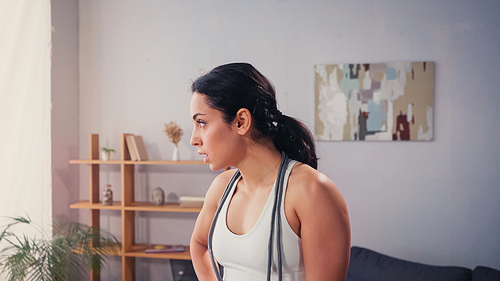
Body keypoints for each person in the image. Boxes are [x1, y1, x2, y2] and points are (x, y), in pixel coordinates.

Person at [189, 62, 351, 281]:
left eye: (201, 122)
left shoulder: (311, 191)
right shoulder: (222, 187)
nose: (193, 139)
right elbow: (200, 245)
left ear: (241, 121)